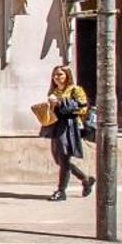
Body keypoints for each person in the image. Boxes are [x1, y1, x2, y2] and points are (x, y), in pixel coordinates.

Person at [43, 64, 94, 201]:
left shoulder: (75, 90)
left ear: (67, 76)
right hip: (56, 126)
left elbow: (82, 107)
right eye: (55, 75)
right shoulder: (53, 91)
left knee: (64, 157)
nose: (57, 78)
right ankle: (86, 179)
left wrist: (60, 103)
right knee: (59, 159)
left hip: (69, 126)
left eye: (60, 74)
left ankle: (61, 190)